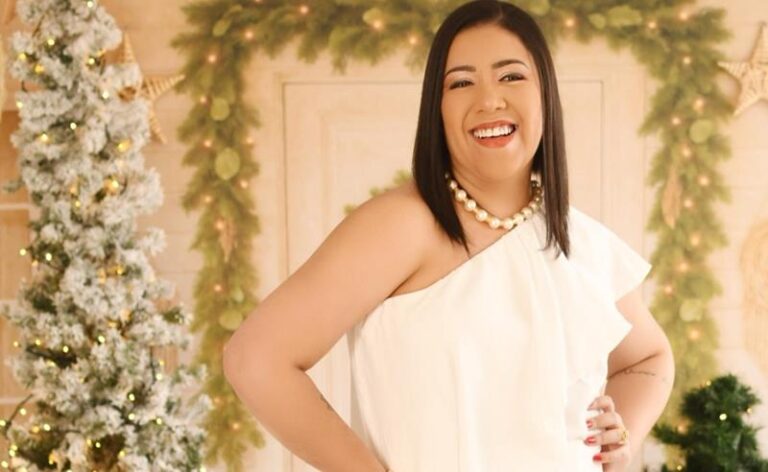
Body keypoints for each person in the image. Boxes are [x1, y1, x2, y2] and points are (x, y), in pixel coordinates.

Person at [223, 1, 675, 471]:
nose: (489, 100)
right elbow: (256, 359)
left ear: (545, 93)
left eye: (511, 76)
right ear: (436, 109)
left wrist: (621, 435)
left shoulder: (582, 242)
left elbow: (649, 357)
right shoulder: (402, 225)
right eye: (461, 83)